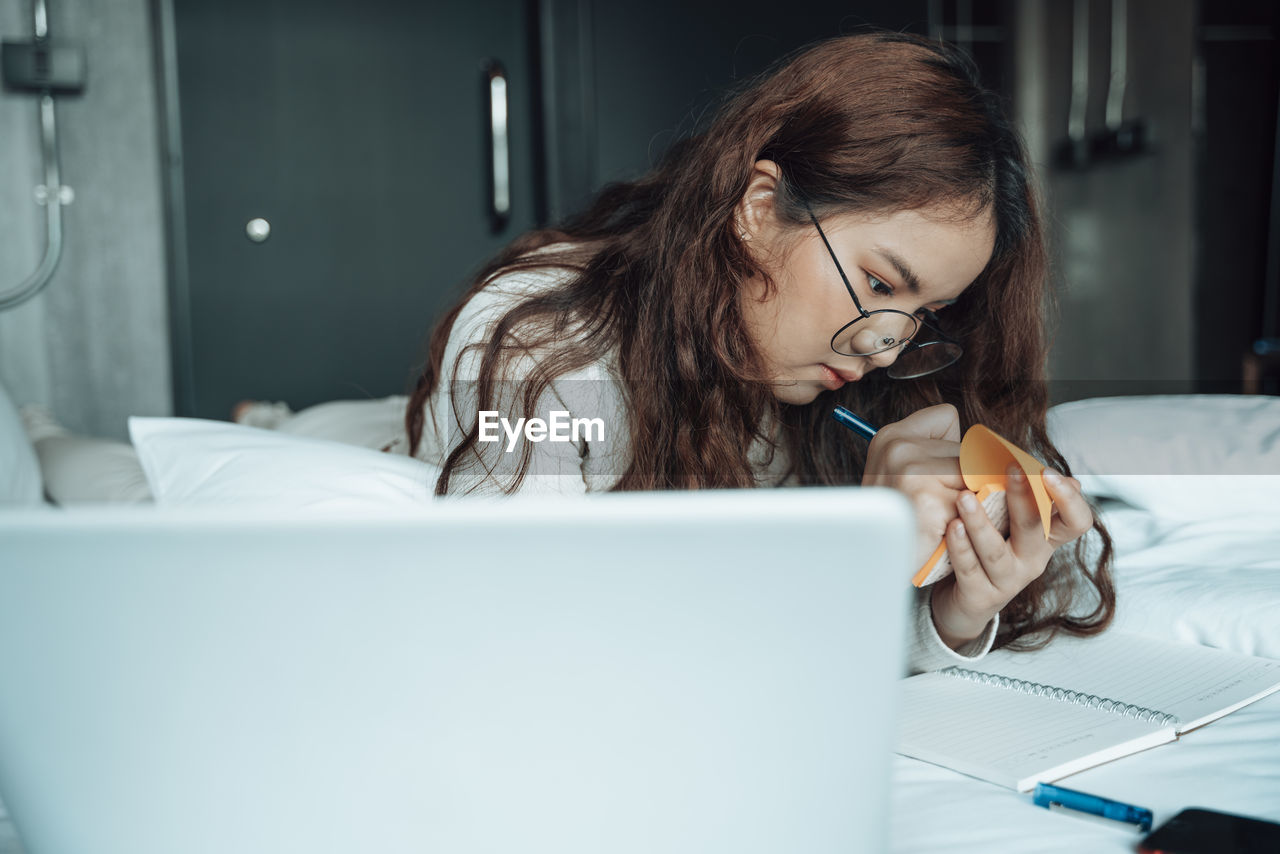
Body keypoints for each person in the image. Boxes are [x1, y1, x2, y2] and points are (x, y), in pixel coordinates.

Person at [23, 31, 1115, 674]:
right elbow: (528, 635)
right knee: (123, 478)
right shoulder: (544, 349)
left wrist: (952, 595)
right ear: (758, 206)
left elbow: (863, 641)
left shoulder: (842, 386)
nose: (885, 344)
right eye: (879, 285)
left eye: (920, 317)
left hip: (469, 437)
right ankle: (56, 426)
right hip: (466, 430)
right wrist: (857, 542)